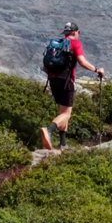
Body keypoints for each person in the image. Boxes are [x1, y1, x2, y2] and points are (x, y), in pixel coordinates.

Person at [41, 21, 103, 150]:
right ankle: (49, 130)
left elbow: (45, 67)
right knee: (66, 114)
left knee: (63, 111)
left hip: (53, 80)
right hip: (66, 81)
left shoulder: (56, 44)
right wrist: (97, 70)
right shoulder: (75, 43)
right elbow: (82, 62)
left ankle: (63, 144)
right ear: (76, 32)